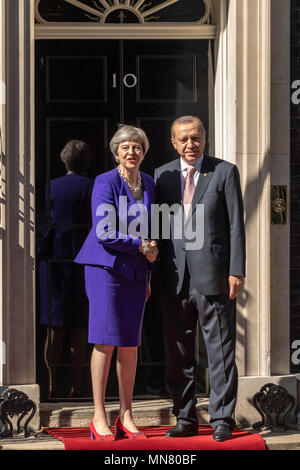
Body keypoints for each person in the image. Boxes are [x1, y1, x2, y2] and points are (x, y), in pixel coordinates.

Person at [154, 116, 245, 442]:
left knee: (220, 352)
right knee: (178, 353)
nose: (190, 144)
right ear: (173, 142)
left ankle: (222, 418)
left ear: (205, 139)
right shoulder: (162, 175)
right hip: (174, 277)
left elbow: (235, 224)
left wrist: (237, 270)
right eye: (184, 139)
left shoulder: (224, 171)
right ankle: (185, 417)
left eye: (196, 138)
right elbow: (159, 227)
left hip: (214, 276)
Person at [74, 125, 158, 441]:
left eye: (137, 146)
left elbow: (149, 232)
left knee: (130, 344)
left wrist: (147, 272)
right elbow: (105, 230)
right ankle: (98, 417)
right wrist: (140, 246)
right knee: (105, 341)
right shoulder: (104, 182)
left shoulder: (148, 183)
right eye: (125, 147)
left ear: (144, 151)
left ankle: (126, 415)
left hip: (136, 272)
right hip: (105, 269)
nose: (131, 152)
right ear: (116, 152)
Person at [38, 139, 94, 399]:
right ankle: (77, 387)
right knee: (81, 327)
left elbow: (43, 224)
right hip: (85, 262)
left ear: (64, 160)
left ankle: (50, 386)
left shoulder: (51, 187)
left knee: (54, 327)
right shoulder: (94, 186)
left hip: (54, 265)